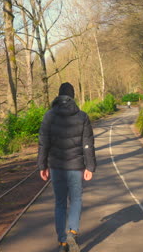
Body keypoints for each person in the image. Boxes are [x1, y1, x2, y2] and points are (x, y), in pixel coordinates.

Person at [37, 82, 97, 252]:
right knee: (76, 199)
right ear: (73, 96)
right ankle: (72, 231)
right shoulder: (82, 116)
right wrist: (90, 167)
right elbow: (88, 144)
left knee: (60, 203)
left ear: (59, 95)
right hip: (76, 167)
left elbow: (43, 143)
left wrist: (42, 165)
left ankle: (62, 242)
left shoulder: (49, 116)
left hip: (56, 167)